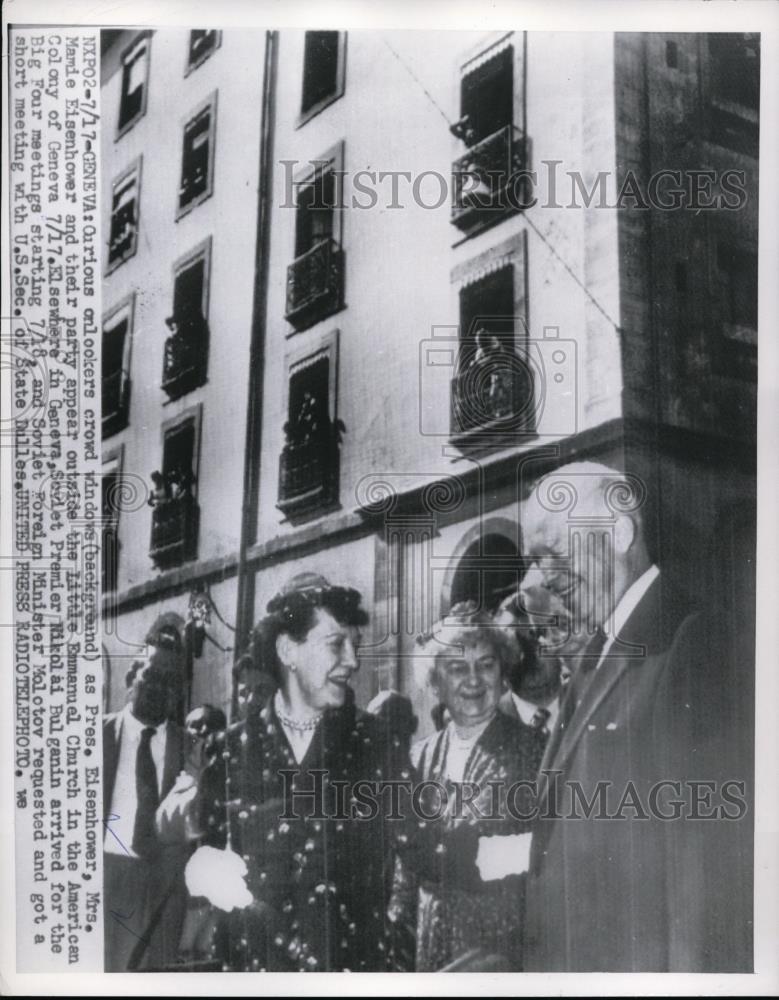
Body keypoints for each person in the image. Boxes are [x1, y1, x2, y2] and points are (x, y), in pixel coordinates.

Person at [520, 460, 751, 971]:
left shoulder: (688, 640)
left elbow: (700, 864)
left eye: (552, 553)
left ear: (620, 530)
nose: (541, 578)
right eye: (534, 561)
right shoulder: (597, 653)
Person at [194, 573, 409, 972]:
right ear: (287, 650)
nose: (353, 661)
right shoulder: (229, 751)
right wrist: (207, 871)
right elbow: (203, 851)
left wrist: (516, 850)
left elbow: (424, 846)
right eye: (336, 645)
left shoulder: (374, 743)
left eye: (355, 646)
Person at [393, 602, 543, 972]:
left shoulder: (536, 750)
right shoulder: (417, 759)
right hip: (429, 955)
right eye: (458, 668)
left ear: (503, 672)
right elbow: (403, 878)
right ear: (436, 681)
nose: (474, 680)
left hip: (500, 955)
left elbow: (544, 857)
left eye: (486, 665)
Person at [102, 638, 189, 971]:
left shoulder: (193, 748)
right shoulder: (91, 738)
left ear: (179, 694)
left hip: (162, 893)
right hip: (103, 877)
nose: (159, 687)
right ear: (130, 679)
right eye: (152, 675)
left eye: (170, 681)